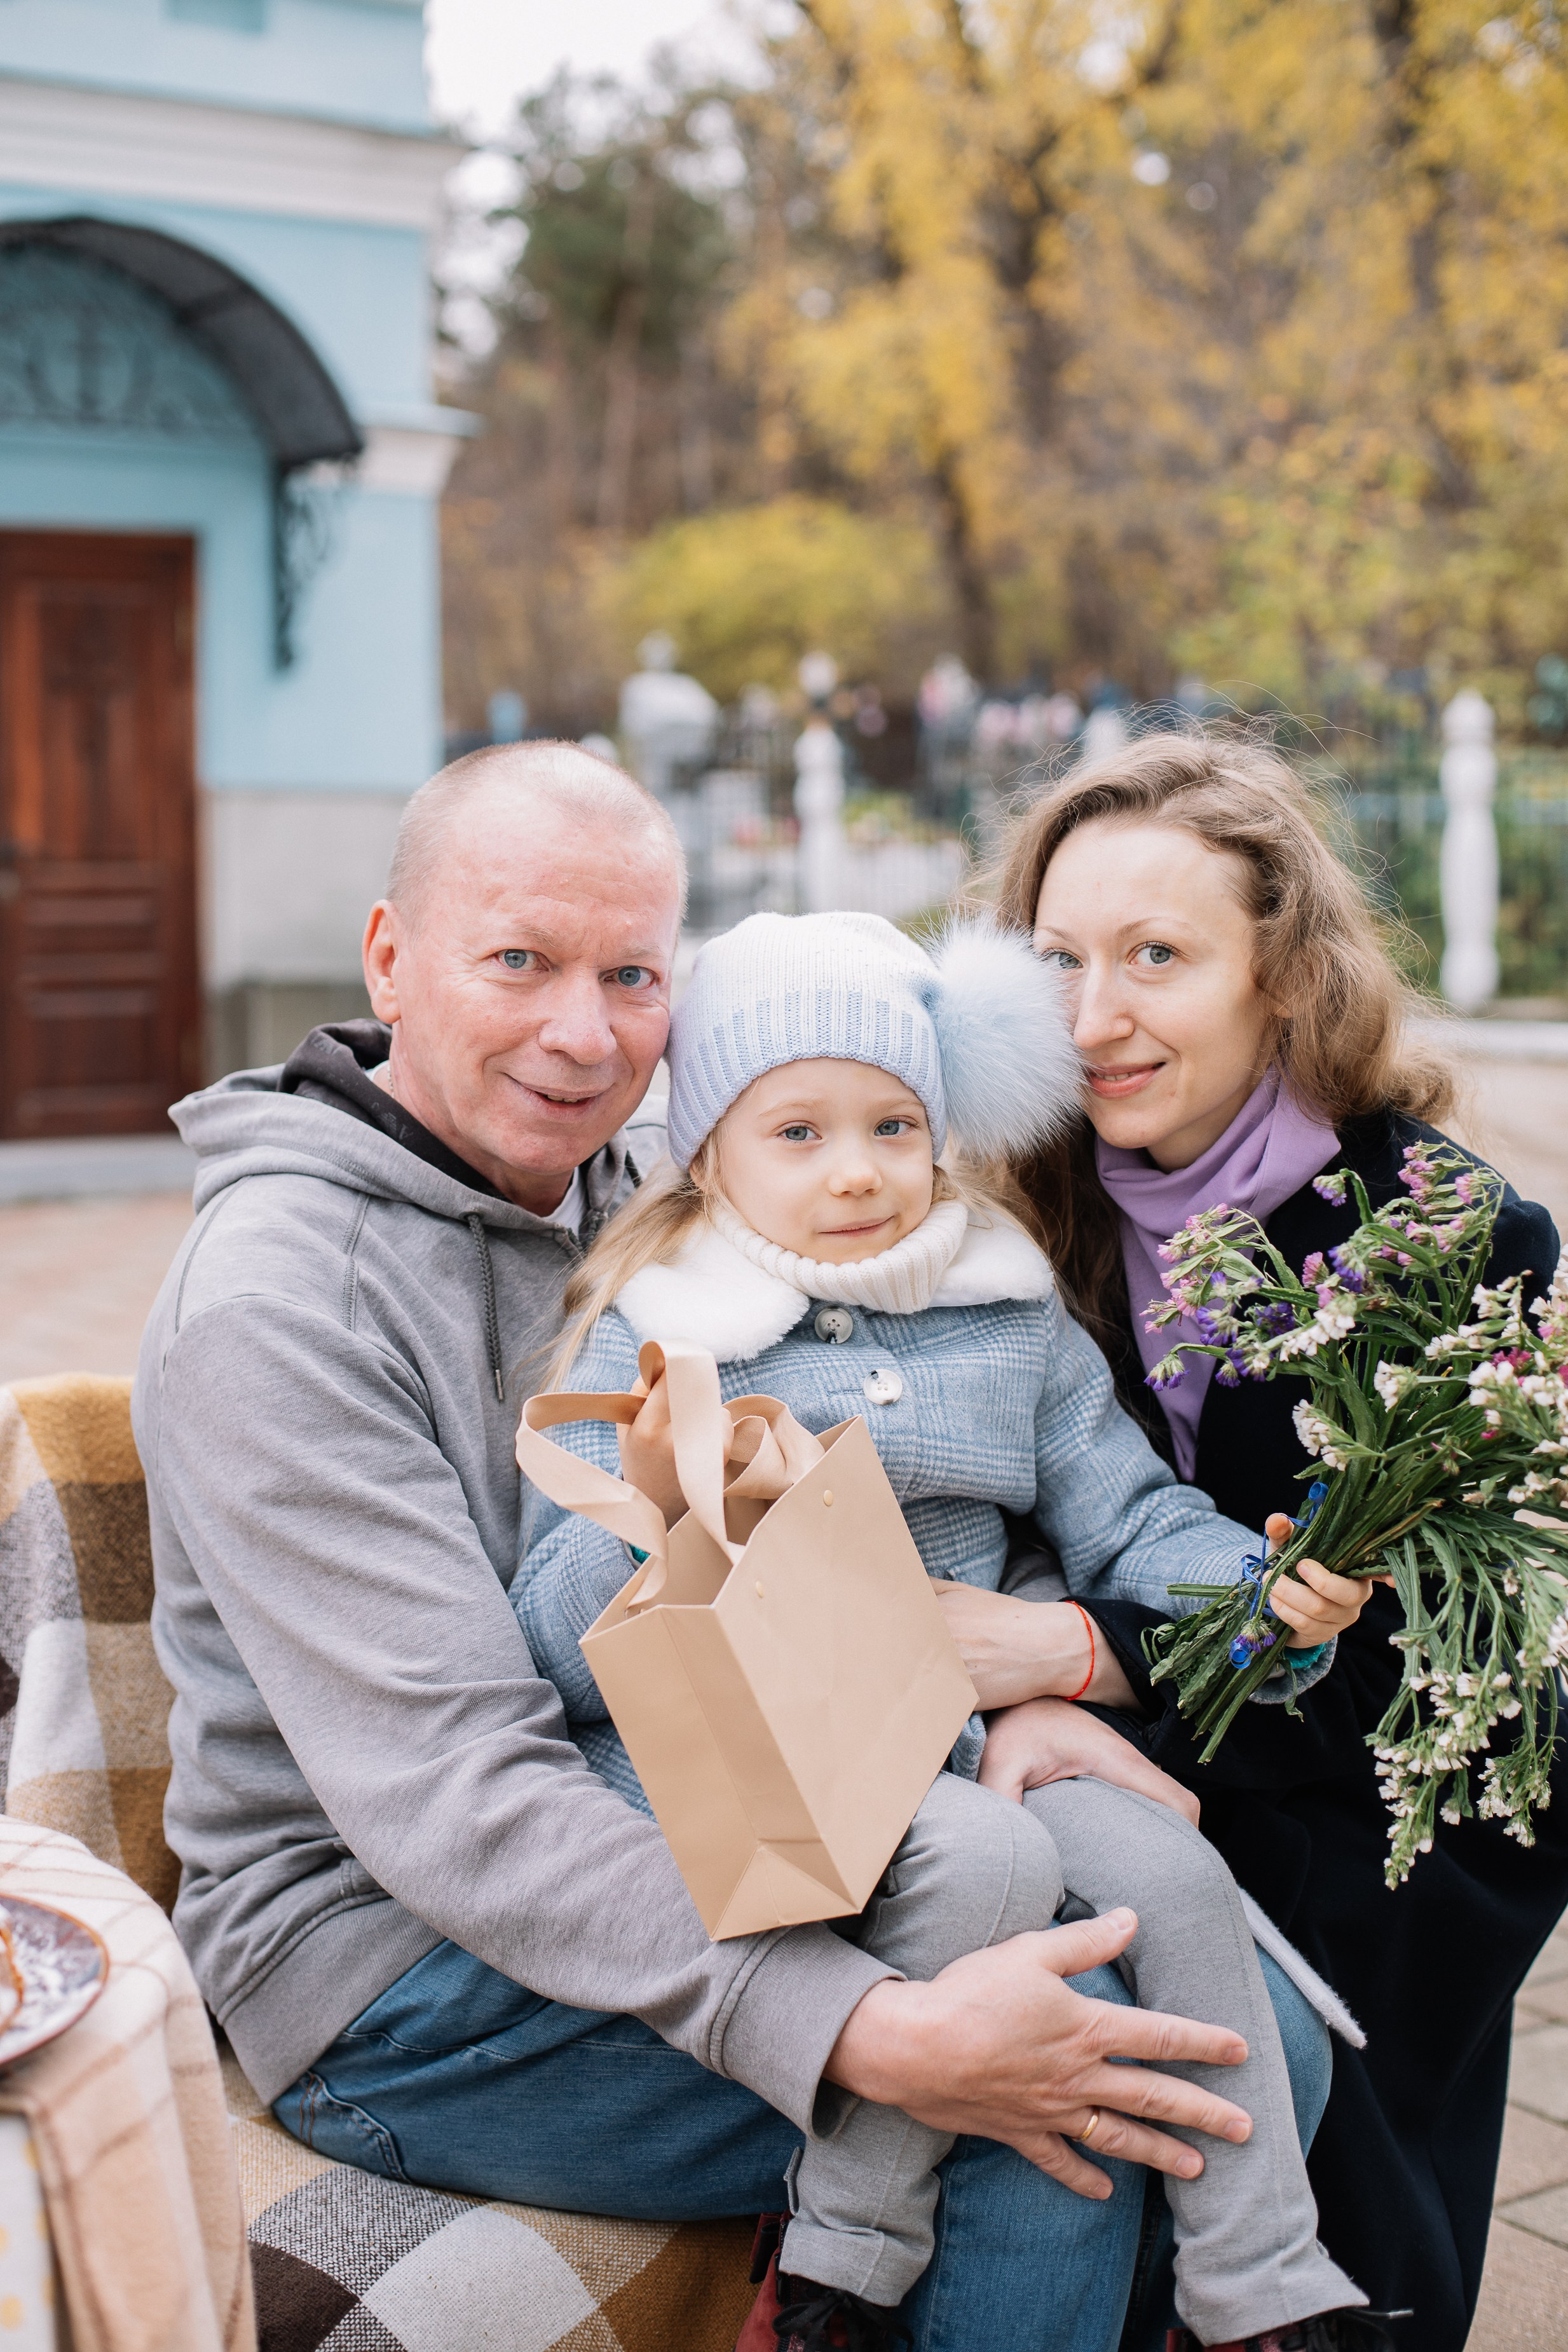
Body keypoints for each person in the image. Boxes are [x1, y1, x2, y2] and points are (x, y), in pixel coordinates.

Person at [133, 741, 1323, 2352]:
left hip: (728, 1804)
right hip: (394, 1965)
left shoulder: (651, 1177)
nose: (581, 1029)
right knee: (1086, 2079)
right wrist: (859, 2029)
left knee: (1246, 2043)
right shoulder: (280, 1303)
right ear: (391, 959)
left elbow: (918, 1486)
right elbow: (462, 1797)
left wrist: (1029, 1677)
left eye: (631, 972)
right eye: (518, 960)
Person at [514, 908, 1387, 2352]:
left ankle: (1264, 2287)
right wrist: (661, 1497)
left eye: (894, 1122)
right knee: (992, 1857)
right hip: (755, 1776)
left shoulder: (1004, 1318)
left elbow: (1124, 1510)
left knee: (1167, 1875)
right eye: (796, 1130)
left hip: (972, 1743)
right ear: (709, 1150)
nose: (857, 1169)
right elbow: (553, 1641)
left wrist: (1246, 1586)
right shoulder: (665, 1328)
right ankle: (843, 2264)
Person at [964, 726, 1568, 2352]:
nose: (1094, 1018)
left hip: (1362, 1848)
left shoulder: (1449, 1245)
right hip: (1062, 1814)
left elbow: (1476, 1659)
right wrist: (1019, 1697)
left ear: (1282, 978)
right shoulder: (999, 1220)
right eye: (1058, 960)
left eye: (1156, 956)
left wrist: (1092, 1669)